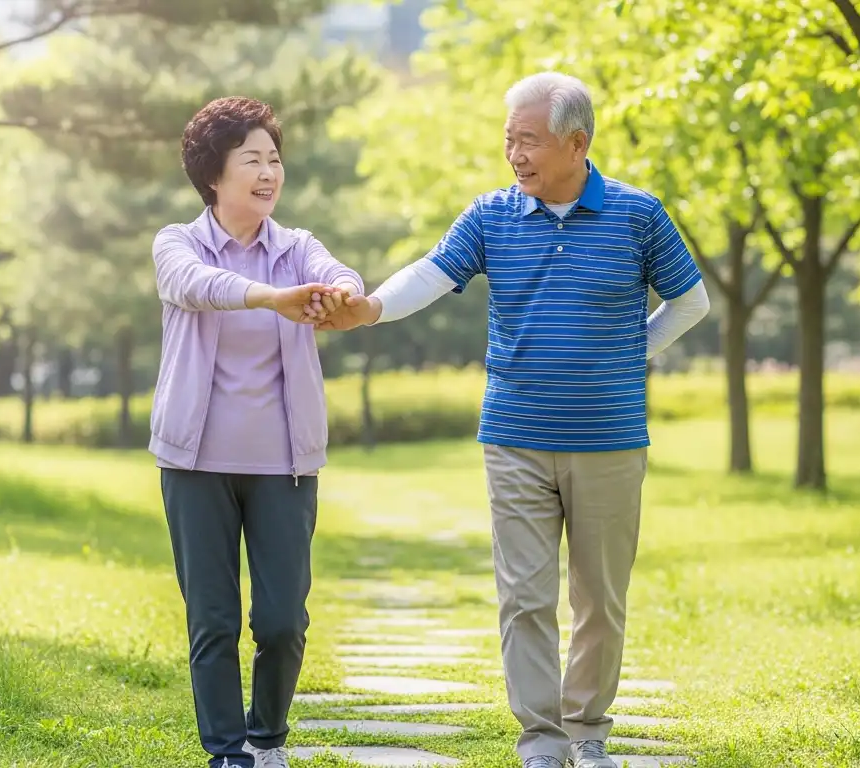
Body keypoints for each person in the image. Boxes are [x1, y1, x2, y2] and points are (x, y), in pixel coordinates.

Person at [317, 72, 711, 768]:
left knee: (599, 598)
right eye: (509, 139)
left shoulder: (638, 215)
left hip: (608, 440)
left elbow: (691, 302)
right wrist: (370, 308)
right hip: (515, 437)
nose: (515, 154)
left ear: (576, 143)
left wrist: (631, 353)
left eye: (528, 140)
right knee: (525, 597)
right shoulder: (491, 216)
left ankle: (587, 732)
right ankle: (541, 742)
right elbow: (431, 273)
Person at [151, 96, 361, 768]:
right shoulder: (177, 243)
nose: (269, 172)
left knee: (282, 620)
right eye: (252, 160)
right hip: (196, 466)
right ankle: (226, 751)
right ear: (214, 174)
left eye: (274, 159)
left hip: (284, 467)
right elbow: (196, 286)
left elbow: (339, 274)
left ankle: (267, 739)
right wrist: (272, 298)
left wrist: (343, 294)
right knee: (211, 620)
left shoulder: (296, 248)